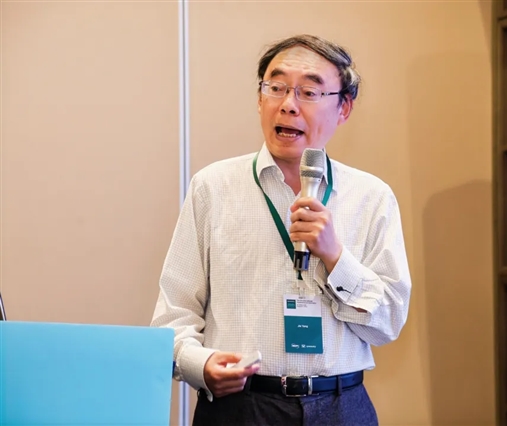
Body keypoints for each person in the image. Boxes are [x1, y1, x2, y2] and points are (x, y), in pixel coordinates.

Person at [150, 34, 412, 426]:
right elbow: (174, 314)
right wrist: (199, 365)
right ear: (260, 99)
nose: (288, 104)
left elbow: (389, 321)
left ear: (343, 108)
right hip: (240, 407)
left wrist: (335, 256)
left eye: (309, 92)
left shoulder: (372, 197)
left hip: (341, 406)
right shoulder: (213, 187)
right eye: (276, 87)